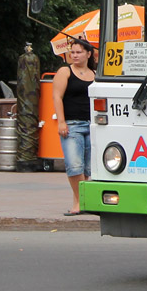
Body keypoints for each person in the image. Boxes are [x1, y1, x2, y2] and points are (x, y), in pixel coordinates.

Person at [53, 37, 96, 216]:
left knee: (86, 168)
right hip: (72, 124)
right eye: (73, 52)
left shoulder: (95, 74)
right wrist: (61, 121)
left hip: (91, 124)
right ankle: (80, 202)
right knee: (74, 165)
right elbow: (57, 96)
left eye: (79, 52)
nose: (75, 55)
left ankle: (79, 201)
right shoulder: (65, 71)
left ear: (88, 54)